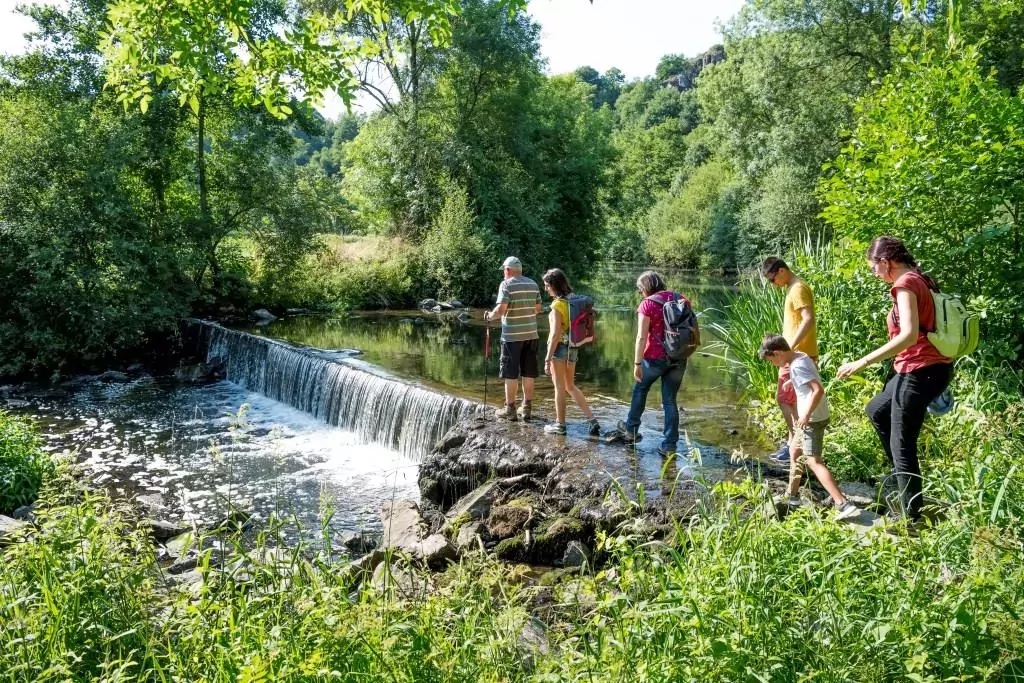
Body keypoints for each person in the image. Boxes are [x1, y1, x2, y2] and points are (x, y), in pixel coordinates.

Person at [836, 236, 954, 522]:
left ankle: (911, 519)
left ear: (885, 262)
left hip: (920, 371)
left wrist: (862, 362)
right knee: (876, 410)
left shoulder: (905, 284)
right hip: (921, 369)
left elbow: (909, 335)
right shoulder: (920, 278)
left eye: (873, 267)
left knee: (902, 444)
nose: (874, 273)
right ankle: (905, 480)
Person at [759, 334, 860, 521]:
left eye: (771, 360)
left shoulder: (796, 366)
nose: (772, 364)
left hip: (811, 419)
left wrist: (805, 415)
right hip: (812, 417)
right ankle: (793, 495)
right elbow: (810, 377)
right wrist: (792, 381)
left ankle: (843, 504)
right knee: (795, 452)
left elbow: (818, 390)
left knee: (813, 461)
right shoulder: (801, 356)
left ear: (778, 353)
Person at [610, 270, 694, 458]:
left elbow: (641, 337)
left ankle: (631, 431)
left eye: (640, 290)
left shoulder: (647, 304)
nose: (640, 293)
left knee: (640, 389)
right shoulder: (681, 298)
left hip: (654, 358)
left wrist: (637, 363)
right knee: (670, 401)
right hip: (679, 356)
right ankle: (670, 445)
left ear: (645, 288)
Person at [761, 257, 819, 464]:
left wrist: (790, 349)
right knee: (791, 400)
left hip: (796, 355)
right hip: (794, 354)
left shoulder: (797, 288)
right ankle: (793, 444)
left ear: (782, 271)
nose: (772, 284)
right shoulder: (793, 288)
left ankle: (795, 444)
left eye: (772, 279)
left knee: (785, 399)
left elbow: (809, 319)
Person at [541, 268, 600, 436]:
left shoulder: (557, 305)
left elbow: (554, 335)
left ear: (554, 285)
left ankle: (560, 425)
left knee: (559, 388)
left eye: (546, 285)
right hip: (573, 347)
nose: (545, 289)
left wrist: (546, 359)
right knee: (570, 386)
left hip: (559, 349)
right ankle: (592, 420)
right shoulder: (574, 300)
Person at [485, 256, 542, 421]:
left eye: (504, 270)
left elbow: (501, 310)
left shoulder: (506, 284)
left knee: (510, 373)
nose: (504, 273)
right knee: (528, 372)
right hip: (532, 335)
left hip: (511, 337)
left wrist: (489, 316)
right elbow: (538, 308)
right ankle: (526, 408)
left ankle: (510, 408)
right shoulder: (533, 284)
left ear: (508, 270)